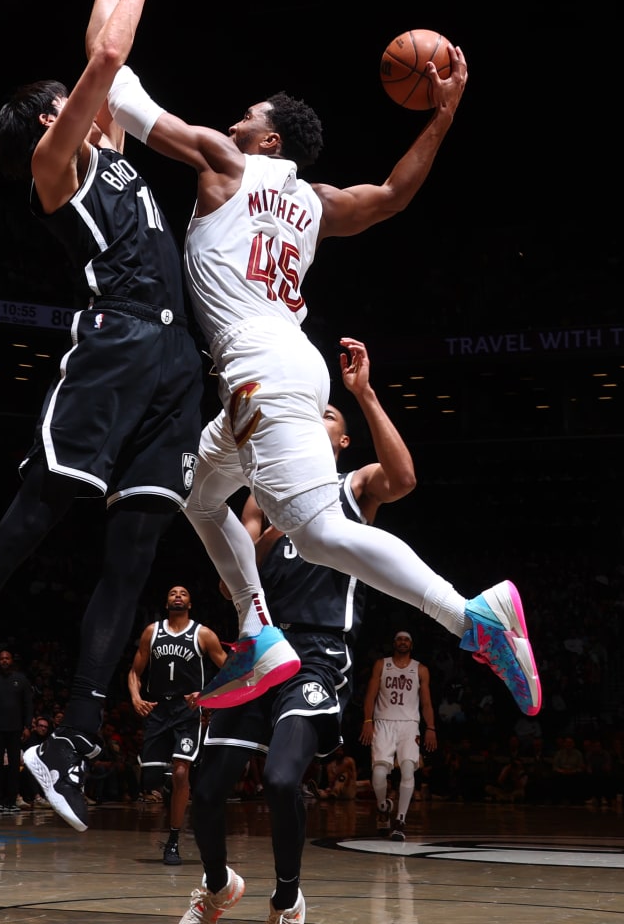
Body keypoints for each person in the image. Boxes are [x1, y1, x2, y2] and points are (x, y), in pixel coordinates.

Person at [0, 0, 293, 824]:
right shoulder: (53, 168)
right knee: (31, 522)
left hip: (178, 363)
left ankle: (72, 740)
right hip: (112, 343)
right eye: (68, 102)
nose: (87, 101)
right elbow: (107, 58)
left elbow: (103, 50)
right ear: (45, 121)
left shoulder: (102, 147)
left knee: (135, 551)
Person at [94, 0, 540, 722]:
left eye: (248, 113)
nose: (234, 117)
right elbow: (397, 195)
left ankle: (471, 615)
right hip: (268, 371)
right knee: (199, 495)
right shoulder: (317, 202)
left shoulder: (227, 163)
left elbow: (109, 75)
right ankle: (260, 631)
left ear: (266, 140)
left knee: (321, 533)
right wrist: (442, 114)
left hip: (263, 369)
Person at [181, 336, 415, 924]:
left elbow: (404, 477)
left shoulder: (352, 490)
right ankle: (217, 885)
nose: (318, 414)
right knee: (207, 790)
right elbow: (232, 575)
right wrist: (274, 524)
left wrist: (361, 393)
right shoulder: (265, 495)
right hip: (258, 643)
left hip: (315, 655)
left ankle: (287, 900)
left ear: (339, 441)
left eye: (328, 414)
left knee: (283, 779)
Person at [126, 585, 227, 865]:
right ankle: (173, 788)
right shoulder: (152, 632)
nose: (178, 595)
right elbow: (135, 671)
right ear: (166, 601)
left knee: (181, 773)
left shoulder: (202, 634)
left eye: (183, 593)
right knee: (151, 780)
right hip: (158, 709)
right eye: (172, 593)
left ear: (190, 603)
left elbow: (229, 669)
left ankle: (173, 840)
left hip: (187, 710)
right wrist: (135, 697)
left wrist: (207, 696)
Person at [362, 629, 435, 841]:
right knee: (378, 774)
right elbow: (370, 696)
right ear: (394, 643)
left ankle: (400, 820)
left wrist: (431, 728)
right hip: (383, 722)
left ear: (411, 645)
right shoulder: (381, 664)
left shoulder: (420, 669)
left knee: (407, 770)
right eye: (399, 639)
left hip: (409, 724)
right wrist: (368, 721)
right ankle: (383, 807)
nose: (403, 642)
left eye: (407, 640)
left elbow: (427, 703)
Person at [0, 650, 34, 813]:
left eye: (7, 658)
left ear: (12, 660)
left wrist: (27, 726)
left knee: (14, 766)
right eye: (1, 658)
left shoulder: (21, 679)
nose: (4, 661)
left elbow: (28, 704)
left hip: (15, 728)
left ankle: (12, 801)